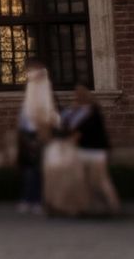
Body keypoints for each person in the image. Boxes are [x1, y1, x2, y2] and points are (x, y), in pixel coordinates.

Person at [44, 90, 117, 219]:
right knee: (89, 181)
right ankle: (92, 206)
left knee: (99, 180)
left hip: (92, 152)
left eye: (77, 98)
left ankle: (112, 205)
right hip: (87, 151)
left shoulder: (87, 113)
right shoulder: (87, 112)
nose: (74, 101)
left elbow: (77, 132)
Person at [16, 65, 50, 215]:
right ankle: (29, 199)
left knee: (36, 171)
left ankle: (36, 201)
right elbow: (23, 120)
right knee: (29, 170)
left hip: (40, 136)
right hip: (28, 136)